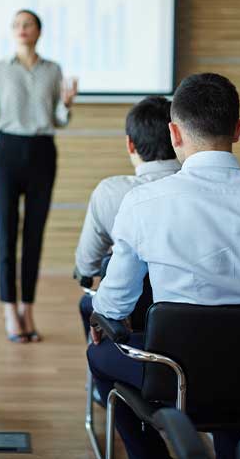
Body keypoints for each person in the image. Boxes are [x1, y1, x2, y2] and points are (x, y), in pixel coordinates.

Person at [87, 73, 240, 459]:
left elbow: (114, 305)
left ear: (174, 133)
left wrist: (100, 319)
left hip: (174, 376)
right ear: (237, 130)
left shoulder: (143, 203)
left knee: (98, 355)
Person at [0, 9, 78, 342]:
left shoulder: (53, 69)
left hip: (43, 150)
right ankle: (9, 309)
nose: (22, 29)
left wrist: (66, 105)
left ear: (39, 31)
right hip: (7, 152)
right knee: (6, 232)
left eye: (27, 24)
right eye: (16, 25)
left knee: (35, 233)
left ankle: (28, 307)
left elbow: (57, 119)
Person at [75, 96, 180, 338]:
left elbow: (86, 266)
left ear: (130, 145)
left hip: (130, 326)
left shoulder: (111, 192)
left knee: (88, 305)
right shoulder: (204, 190)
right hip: (203, 328)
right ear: (178, 137)